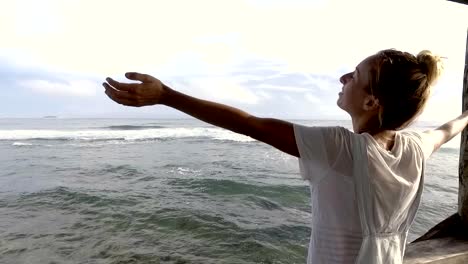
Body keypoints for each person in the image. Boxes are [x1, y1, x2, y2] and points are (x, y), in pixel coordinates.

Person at [103, 49, 467, 264]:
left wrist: (167, 95)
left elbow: (251, 124)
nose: (343, 77)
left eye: (354, 75)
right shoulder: (415, 148)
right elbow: (447, 130)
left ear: (372, 102)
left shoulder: (341, 148)